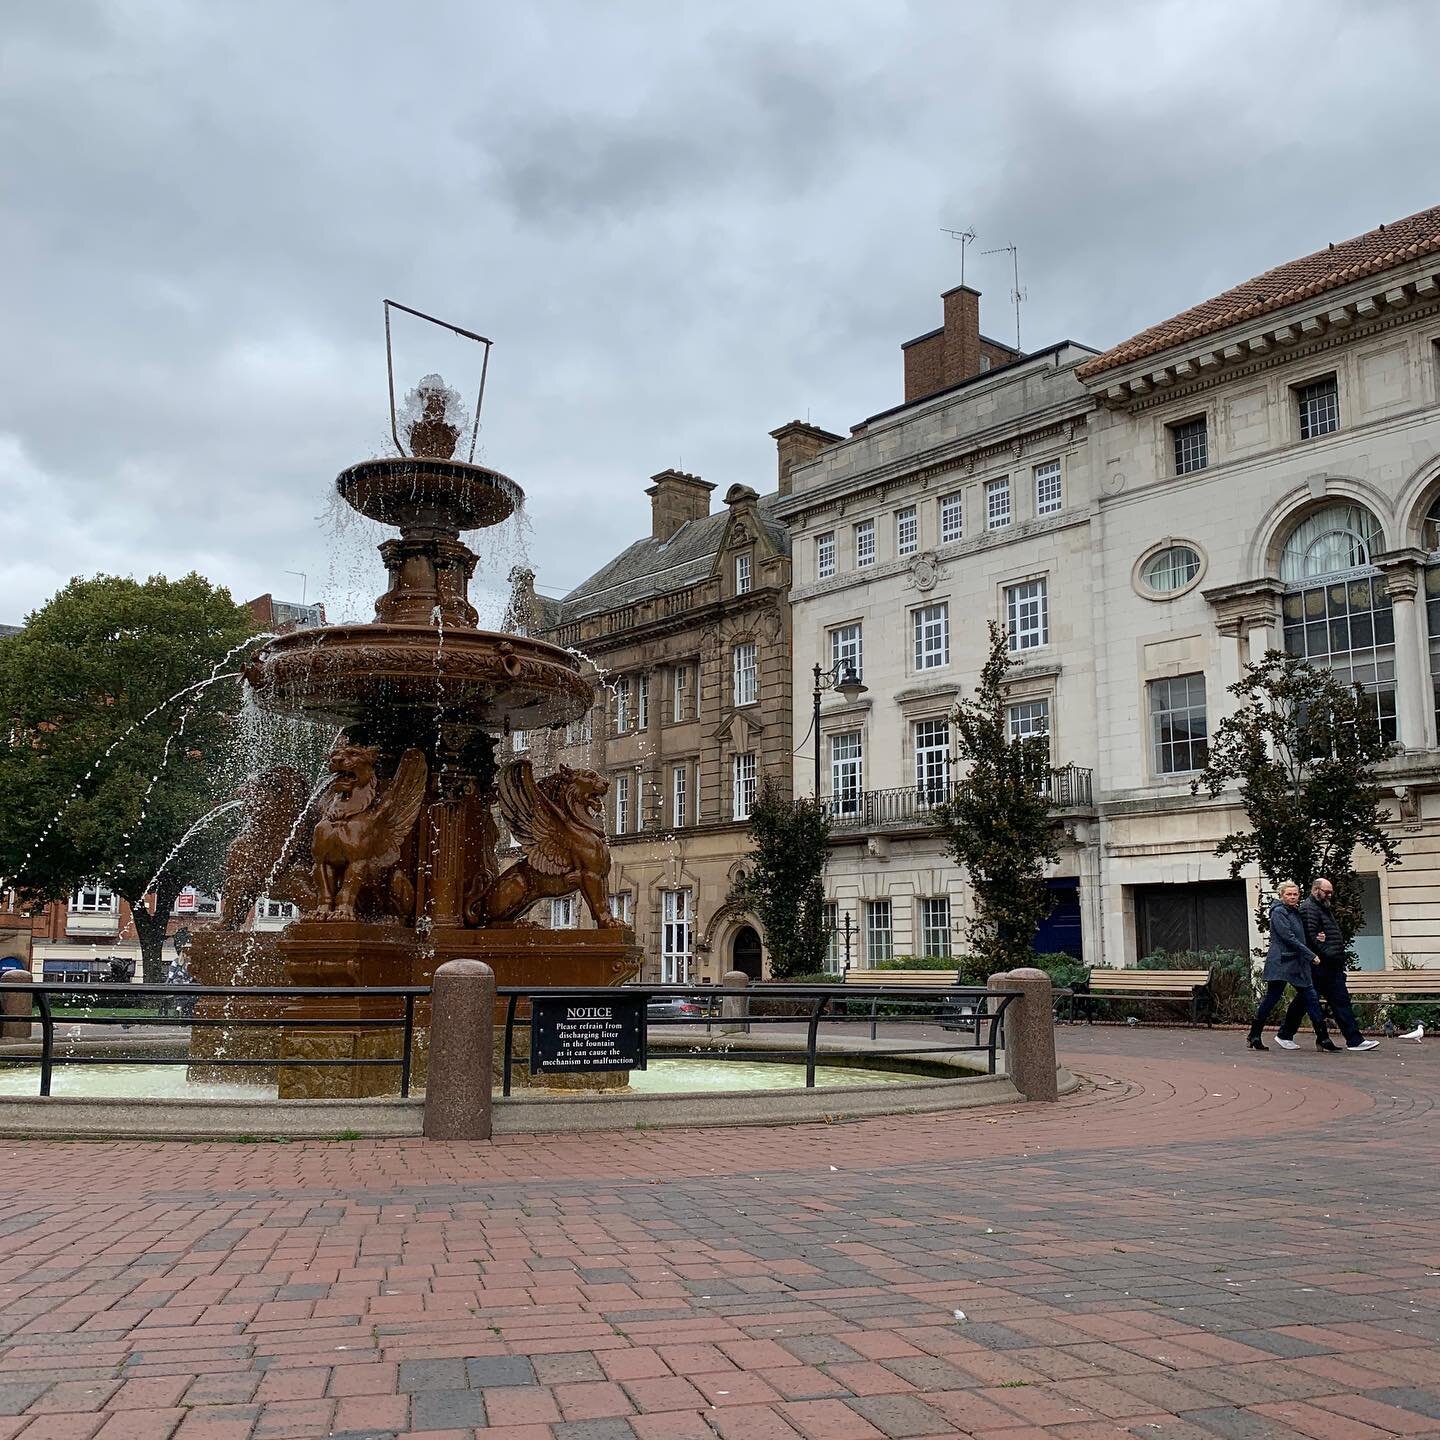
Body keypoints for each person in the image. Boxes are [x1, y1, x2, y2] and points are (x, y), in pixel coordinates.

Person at [1278, 878, 1379, 1052]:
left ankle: (1354, 1040)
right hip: (1321, 964)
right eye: (1326, 891)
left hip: (1329, 964)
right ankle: (1285, 1034)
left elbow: (1320, 935)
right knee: (1307, 1001)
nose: (1329, 894)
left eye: (1330, 891)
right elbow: (1311, 937)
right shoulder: (1309, 909)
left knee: (1338, 1001)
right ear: (1316, 890)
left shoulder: (1322, 907)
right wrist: (1327, 953)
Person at [1248, 882, 1339, 1052]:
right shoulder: (1278, 912)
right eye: (1288, 894)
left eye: (1295, 894)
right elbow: (1288, 938)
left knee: (1311, 998)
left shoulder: (1295, 912)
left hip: (1297, 963)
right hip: (1281, 962)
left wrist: (1317, 937)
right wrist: (1311, 955)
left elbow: (1302, 935)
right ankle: (1254, 1035)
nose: (1292, 897)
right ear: (1281, 895)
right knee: (1271, 999)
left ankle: (1323, 1038)